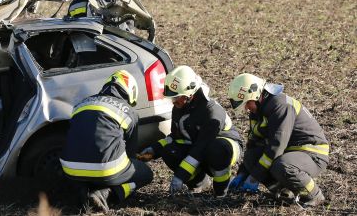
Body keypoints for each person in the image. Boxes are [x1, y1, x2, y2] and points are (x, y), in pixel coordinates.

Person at [138, 65, 242, 197]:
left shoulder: (211, 112)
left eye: (176, 97)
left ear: (190, 94)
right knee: (170, 151)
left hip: (223, 147)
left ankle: (222, 191)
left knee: (217, 150)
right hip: (199, 147)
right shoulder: (180, 106)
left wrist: (180, 176)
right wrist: (155, 149)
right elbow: (176, 137)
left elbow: (201, 147)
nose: (173, 101)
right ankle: (199, 183)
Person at [227, 73, 329, 207]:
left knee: (282, 166)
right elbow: (254, 143)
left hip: (312, 153)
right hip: (288, 152)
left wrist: (255, 176)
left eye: (247, 103)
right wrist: (243, 173)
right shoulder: (256, 111)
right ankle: (283, 192)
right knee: (251, 157)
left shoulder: (281, 106)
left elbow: (277, 146)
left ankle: (314, 195)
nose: (246, 108)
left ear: (256, 95)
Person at [60, 70, 154, 213]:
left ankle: (81, 191)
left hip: (70, 169)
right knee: (146, 174)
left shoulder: (81, 104)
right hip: (106, 170)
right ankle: (107, 194)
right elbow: (130, 153)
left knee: (88, 171)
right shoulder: (128, 111)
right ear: (130, 92)